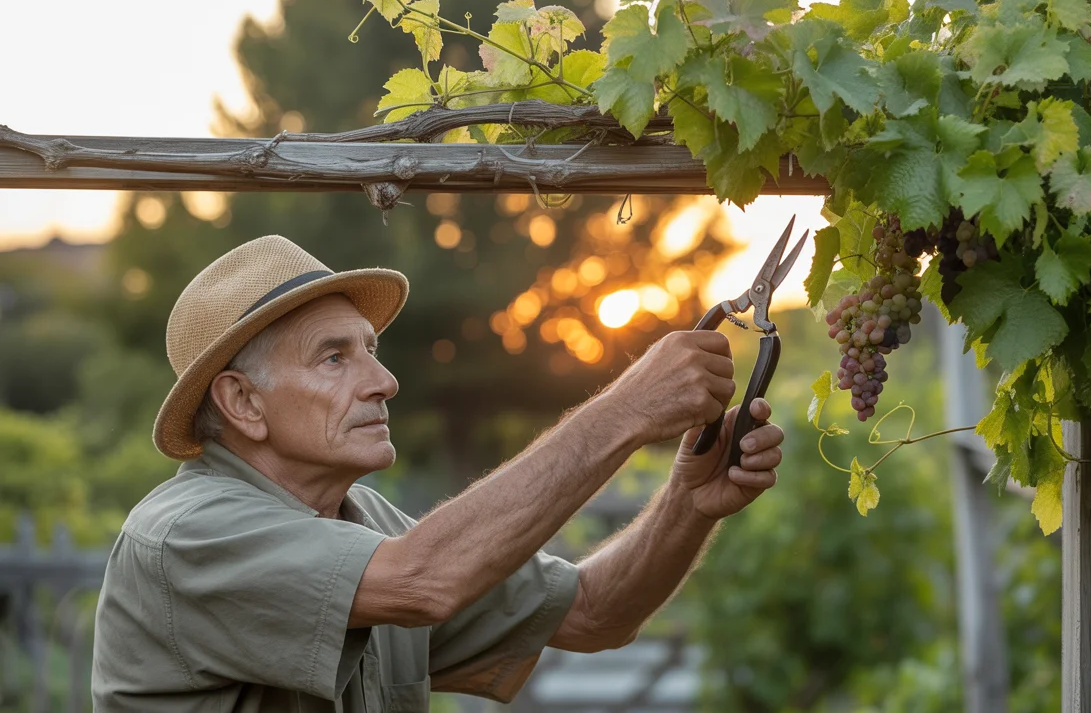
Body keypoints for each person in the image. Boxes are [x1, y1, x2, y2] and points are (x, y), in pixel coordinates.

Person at [91, 235, 785, 712]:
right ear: (242, 402)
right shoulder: (186, 536)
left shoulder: (368, 526)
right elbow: (424, 581)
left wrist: (688, 503)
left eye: (372, 351)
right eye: (335, 358)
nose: (385, 382)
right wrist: (625, 410)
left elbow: (594, 613)